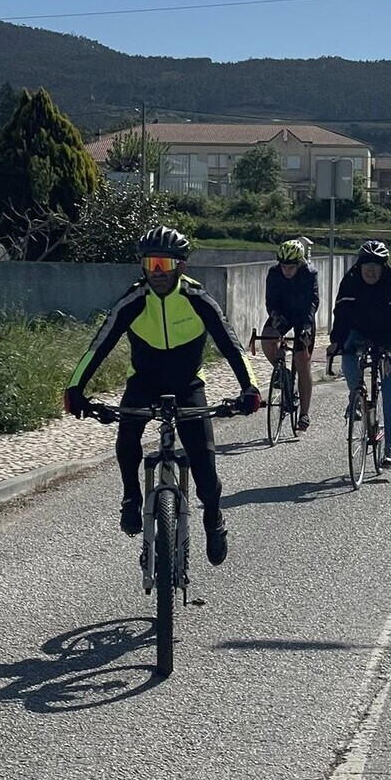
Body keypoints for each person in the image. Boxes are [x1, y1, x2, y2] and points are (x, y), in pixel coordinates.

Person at [63, 225, 261, 567]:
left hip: (188, 385)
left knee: (204, 467)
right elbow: (100, 345)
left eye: (164, 264)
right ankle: (130, 497)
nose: (156, 272)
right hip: (143, 382)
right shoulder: (134, 300)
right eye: (150, 263)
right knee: (127, 436)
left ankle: (213, 518)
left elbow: (231, 345)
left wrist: (250, 387)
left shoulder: (198, 299)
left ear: (181, 266)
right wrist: (75, 389)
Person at [327, 240, 391, 469]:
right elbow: (341, 314)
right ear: (360, 265)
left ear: (383, 267)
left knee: (389, 386)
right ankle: (355, 396)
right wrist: (336, 342)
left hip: (388, 336)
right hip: (360, 331)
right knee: (347, 355)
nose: (371, 270)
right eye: (367, 265)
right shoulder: (351, 281)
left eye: (376, 266)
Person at [260, 239, 321, 430]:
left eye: (291, 267)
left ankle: (304, 414)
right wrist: (275, 317)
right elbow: (270, 301)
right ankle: (283, 373)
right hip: (283, 314)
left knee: (302, 360)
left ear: (300, 264)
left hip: (303, 317)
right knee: (267, 339)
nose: (286, 271)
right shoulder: (274, 273)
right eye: (283, 266)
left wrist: (307, 327)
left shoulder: (309, 274)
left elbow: (312, 302)